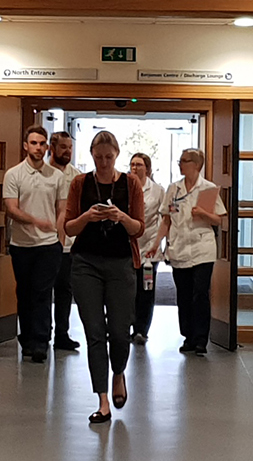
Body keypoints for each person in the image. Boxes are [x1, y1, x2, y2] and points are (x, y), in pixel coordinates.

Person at [61, 130, 145, 423]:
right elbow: (69, 228)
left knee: (120, 331)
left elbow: (138, 228)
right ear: (92, 156)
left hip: (121, 264)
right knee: (94, 332)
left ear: (117, 155)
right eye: (99, 157)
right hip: (86, 264)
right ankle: (102, 400)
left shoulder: (131, 183)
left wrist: (119, 216)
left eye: (109, 157)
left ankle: (119, 373)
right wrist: (88, 217)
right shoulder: (80, 183)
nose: (104, 162)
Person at [0, 124, 68, 362]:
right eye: (34, 143)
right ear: (26, 146)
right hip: (21, 244)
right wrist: (36, 221)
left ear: (46, 146)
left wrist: (58, 236)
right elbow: (11, 209)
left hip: (49, 246)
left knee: (42, 292)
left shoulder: (56, 176)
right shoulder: (14, 174)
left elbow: (62, 209)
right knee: (25, 292)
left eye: (42, 143)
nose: (38, 148)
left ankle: (41, 341)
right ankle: (27, 338)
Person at [160, 148, 224, 356]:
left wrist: (204, 213)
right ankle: (187, 336)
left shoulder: (208, 189)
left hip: (202, 249)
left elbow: (219, 220)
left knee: (200, 294)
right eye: (180, 160)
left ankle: (200, 340)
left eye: (184, 161)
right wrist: (156, 243)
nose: (180, 164)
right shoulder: (174, 189)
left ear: (196, 165)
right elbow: (166, 219)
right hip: (179, 248)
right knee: (184, 296)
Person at [47, 129, 82, 352]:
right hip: (43, 241)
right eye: (63, 147)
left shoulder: (76, 176)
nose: (67, 151)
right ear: (52, 148)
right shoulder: (43, 172)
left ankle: (62, 334)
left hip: (68, 244)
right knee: (41, 291)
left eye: (70, 148)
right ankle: (39, 335)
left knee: (64, 290)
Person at [127, 152, 166, 344]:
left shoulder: (158, 191)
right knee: (126, 290)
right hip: (128, 248)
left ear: (147, 168)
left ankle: (141, 329)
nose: (135, 168)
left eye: (139, 165)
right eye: (132, 164)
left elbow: (164, 219)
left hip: (149, 249)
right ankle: (124, 326)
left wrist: (158, 244)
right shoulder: (124, 187)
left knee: (146, 289)